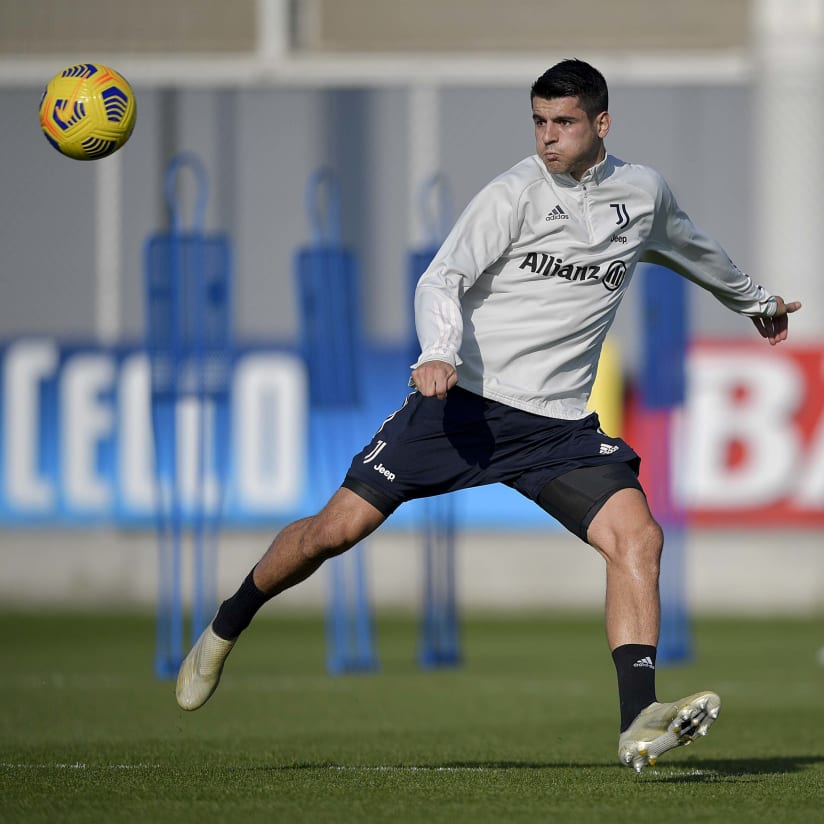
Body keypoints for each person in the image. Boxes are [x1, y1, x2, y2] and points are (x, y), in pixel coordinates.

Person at [176, 59, 802, 772]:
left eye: (563, 123)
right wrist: (438, 350)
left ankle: (637, 722)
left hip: (557, 429)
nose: (548, 138)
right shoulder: (513, 194)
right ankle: (228, 623)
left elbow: (693, 248)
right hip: (463, 407)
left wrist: (755, 301)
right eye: (539, 122)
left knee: (640, 540)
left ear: (601, 123)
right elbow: (441, 278)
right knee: (332, 533)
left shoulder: (642, 194)